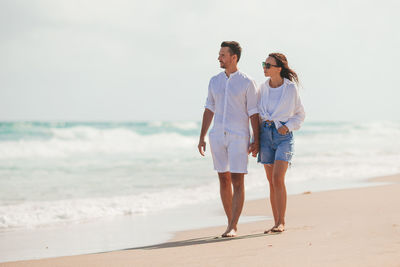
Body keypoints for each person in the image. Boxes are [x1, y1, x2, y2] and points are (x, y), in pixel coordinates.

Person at [198, 41, 259, 237]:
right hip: (217, 135)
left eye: (223, 55)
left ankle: (233, 225)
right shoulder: (214, 81)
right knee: (223, 179)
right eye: (219, 54)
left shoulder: (247, 82)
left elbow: (253, 112)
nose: (219, 58)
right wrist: (202, 137)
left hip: (239, 136)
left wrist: (256, 138)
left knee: (237, 180)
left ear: (234, 57)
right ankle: (230, 223)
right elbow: (209, 108)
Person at [258, 53, 305, 233]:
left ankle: (281, 221)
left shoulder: (290, 88)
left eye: (268, 65)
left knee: (278, 178)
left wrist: (288, 127)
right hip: (265, 136)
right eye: (264, 64)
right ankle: (276, 221)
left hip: (283, 136)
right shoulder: (262, 88)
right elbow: (257, 115)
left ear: (278, 68)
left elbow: (300, 114)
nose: (264, 67)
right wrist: (255, 139)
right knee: (271, 181)